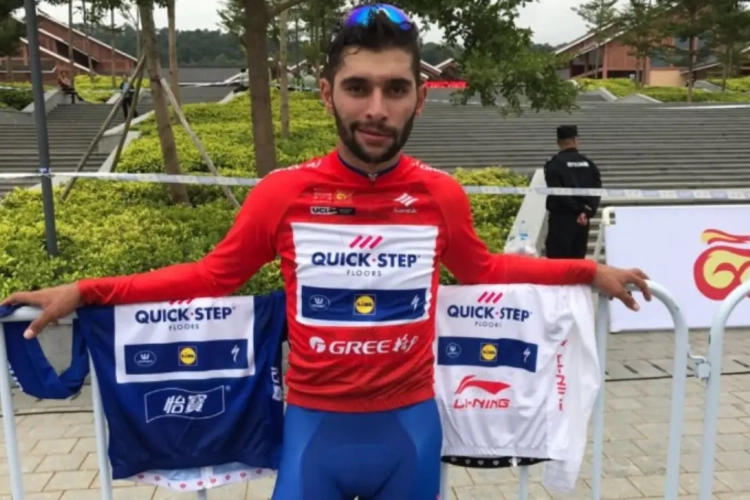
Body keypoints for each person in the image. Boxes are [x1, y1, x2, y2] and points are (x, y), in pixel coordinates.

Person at [3, 4, 650, 499]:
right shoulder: (283, 194)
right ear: (326, 92)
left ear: (419, 98)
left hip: (410, 433)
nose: (377, 108)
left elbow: (486, 268)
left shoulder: (440, 195)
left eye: (395, 89)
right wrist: (86, 291)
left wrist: (588, 270)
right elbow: (211, 276)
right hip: (315, 435)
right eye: (358, 87)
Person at [544, 125, 602, 259]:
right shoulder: (589, 164)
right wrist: (587, 211)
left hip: (561, 219)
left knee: (557, 262)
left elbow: (558, 192)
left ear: (558, 143)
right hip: (582, 221)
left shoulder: (554, 164)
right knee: (578, 261)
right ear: (576, 140)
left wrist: (577, 208)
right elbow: (597, 189)